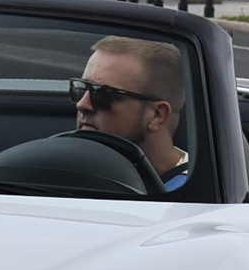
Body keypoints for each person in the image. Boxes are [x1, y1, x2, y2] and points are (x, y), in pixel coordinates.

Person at [69, 35, 192, 193]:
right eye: (81, 88)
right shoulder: (74, 171)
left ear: (157, 115)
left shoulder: (191, 196)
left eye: (103, 94)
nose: (82, 104)